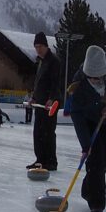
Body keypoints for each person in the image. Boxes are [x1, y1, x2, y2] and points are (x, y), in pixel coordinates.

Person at [69, 45, 106, 212]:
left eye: (97, 78)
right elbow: (75, 112)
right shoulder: (79, 81)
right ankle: (97, 203)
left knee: (104, 161)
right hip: (88, 120)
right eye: (90, 77)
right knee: (95, 158)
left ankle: (88, 189)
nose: (93, 81)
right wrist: (85, 144)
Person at [27, 32, 61, 171]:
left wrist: (52, 98)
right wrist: (34, 97)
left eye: (40, 46)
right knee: (38, 133)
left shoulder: (54, 61)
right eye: (36, 47)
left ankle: (51, 161)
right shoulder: (40, 61)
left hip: (50, 104)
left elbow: (55, 82)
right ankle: (40, 160)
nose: (38, 49)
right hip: (40, 103)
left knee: (48, 132)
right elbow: (38, 82)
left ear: (46, 46)